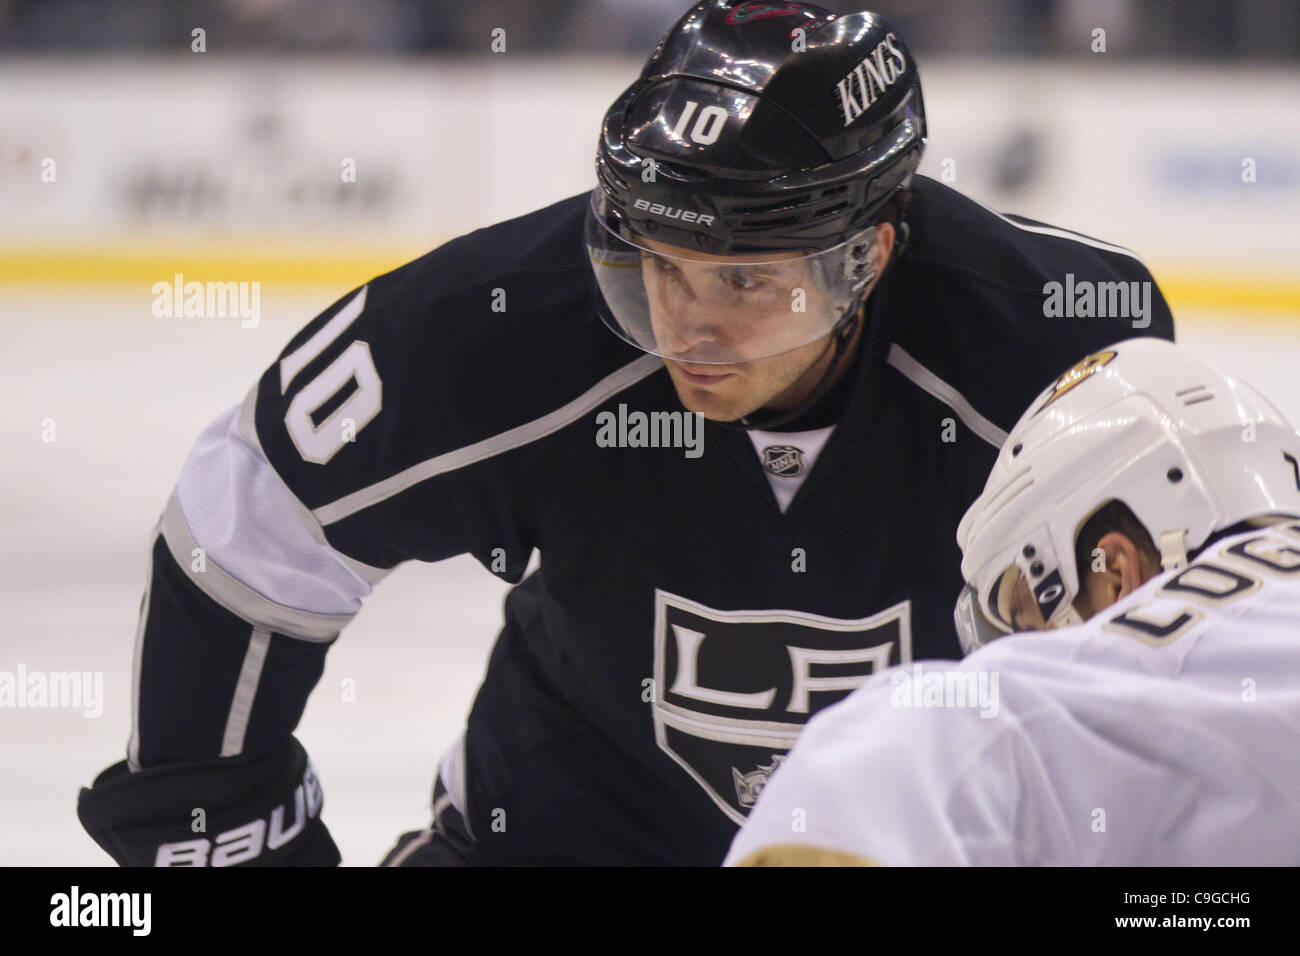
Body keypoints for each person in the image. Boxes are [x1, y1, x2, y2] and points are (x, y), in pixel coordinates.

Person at [76, 1, 1173, 867]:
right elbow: (251, 524)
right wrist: (217, 832)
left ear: (870, 255)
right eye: (652, 266)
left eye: (745, 277)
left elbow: (1183, 663)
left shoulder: (1050, 351)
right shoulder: (506, 324)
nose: (686, 326)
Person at [726, 338, 1300, 866]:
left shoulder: (1063, 697)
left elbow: (889, 757)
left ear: (1116, 572)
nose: (1032, 653)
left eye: (1028, 620)